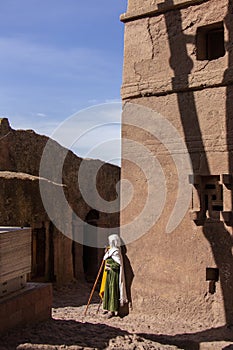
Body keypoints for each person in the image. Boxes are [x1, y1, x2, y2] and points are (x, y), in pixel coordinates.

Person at [101, 234, 127, 318]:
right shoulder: (111, 250)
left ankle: (111, 311)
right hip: (109, 274)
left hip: (113, 274)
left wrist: (110, 266)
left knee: (112, 291)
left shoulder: (116, 251)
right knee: (107, 290)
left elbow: (117, 264)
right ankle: (106, 307)